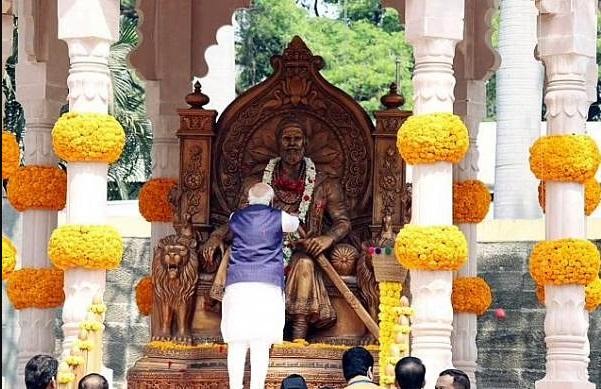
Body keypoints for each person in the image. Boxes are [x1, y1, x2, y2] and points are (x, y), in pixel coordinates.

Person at [204, 116, 352, 340]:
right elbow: (240, 220)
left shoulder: (324, 182)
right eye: (287, 138)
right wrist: (216, 236)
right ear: (278, 143)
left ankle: (298, 338)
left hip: (302, 248)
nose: (292, 143)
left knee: (304, 264)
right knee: (235, 254)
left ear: (306, 144)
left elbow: (343, 221)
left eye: (297, 138)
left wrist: (326, 239)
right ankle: (241, 330)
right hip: (259, 249)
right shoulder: (255, 183)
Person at [220, 182, 300, 389]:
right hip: (266, 286)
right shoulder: (280, 217)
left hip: (238, 285)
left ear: (248, 200)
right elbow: (295, 224)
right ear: (271, 200)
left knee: (236, 343)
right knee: (260, 344)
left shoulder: (234, 217)